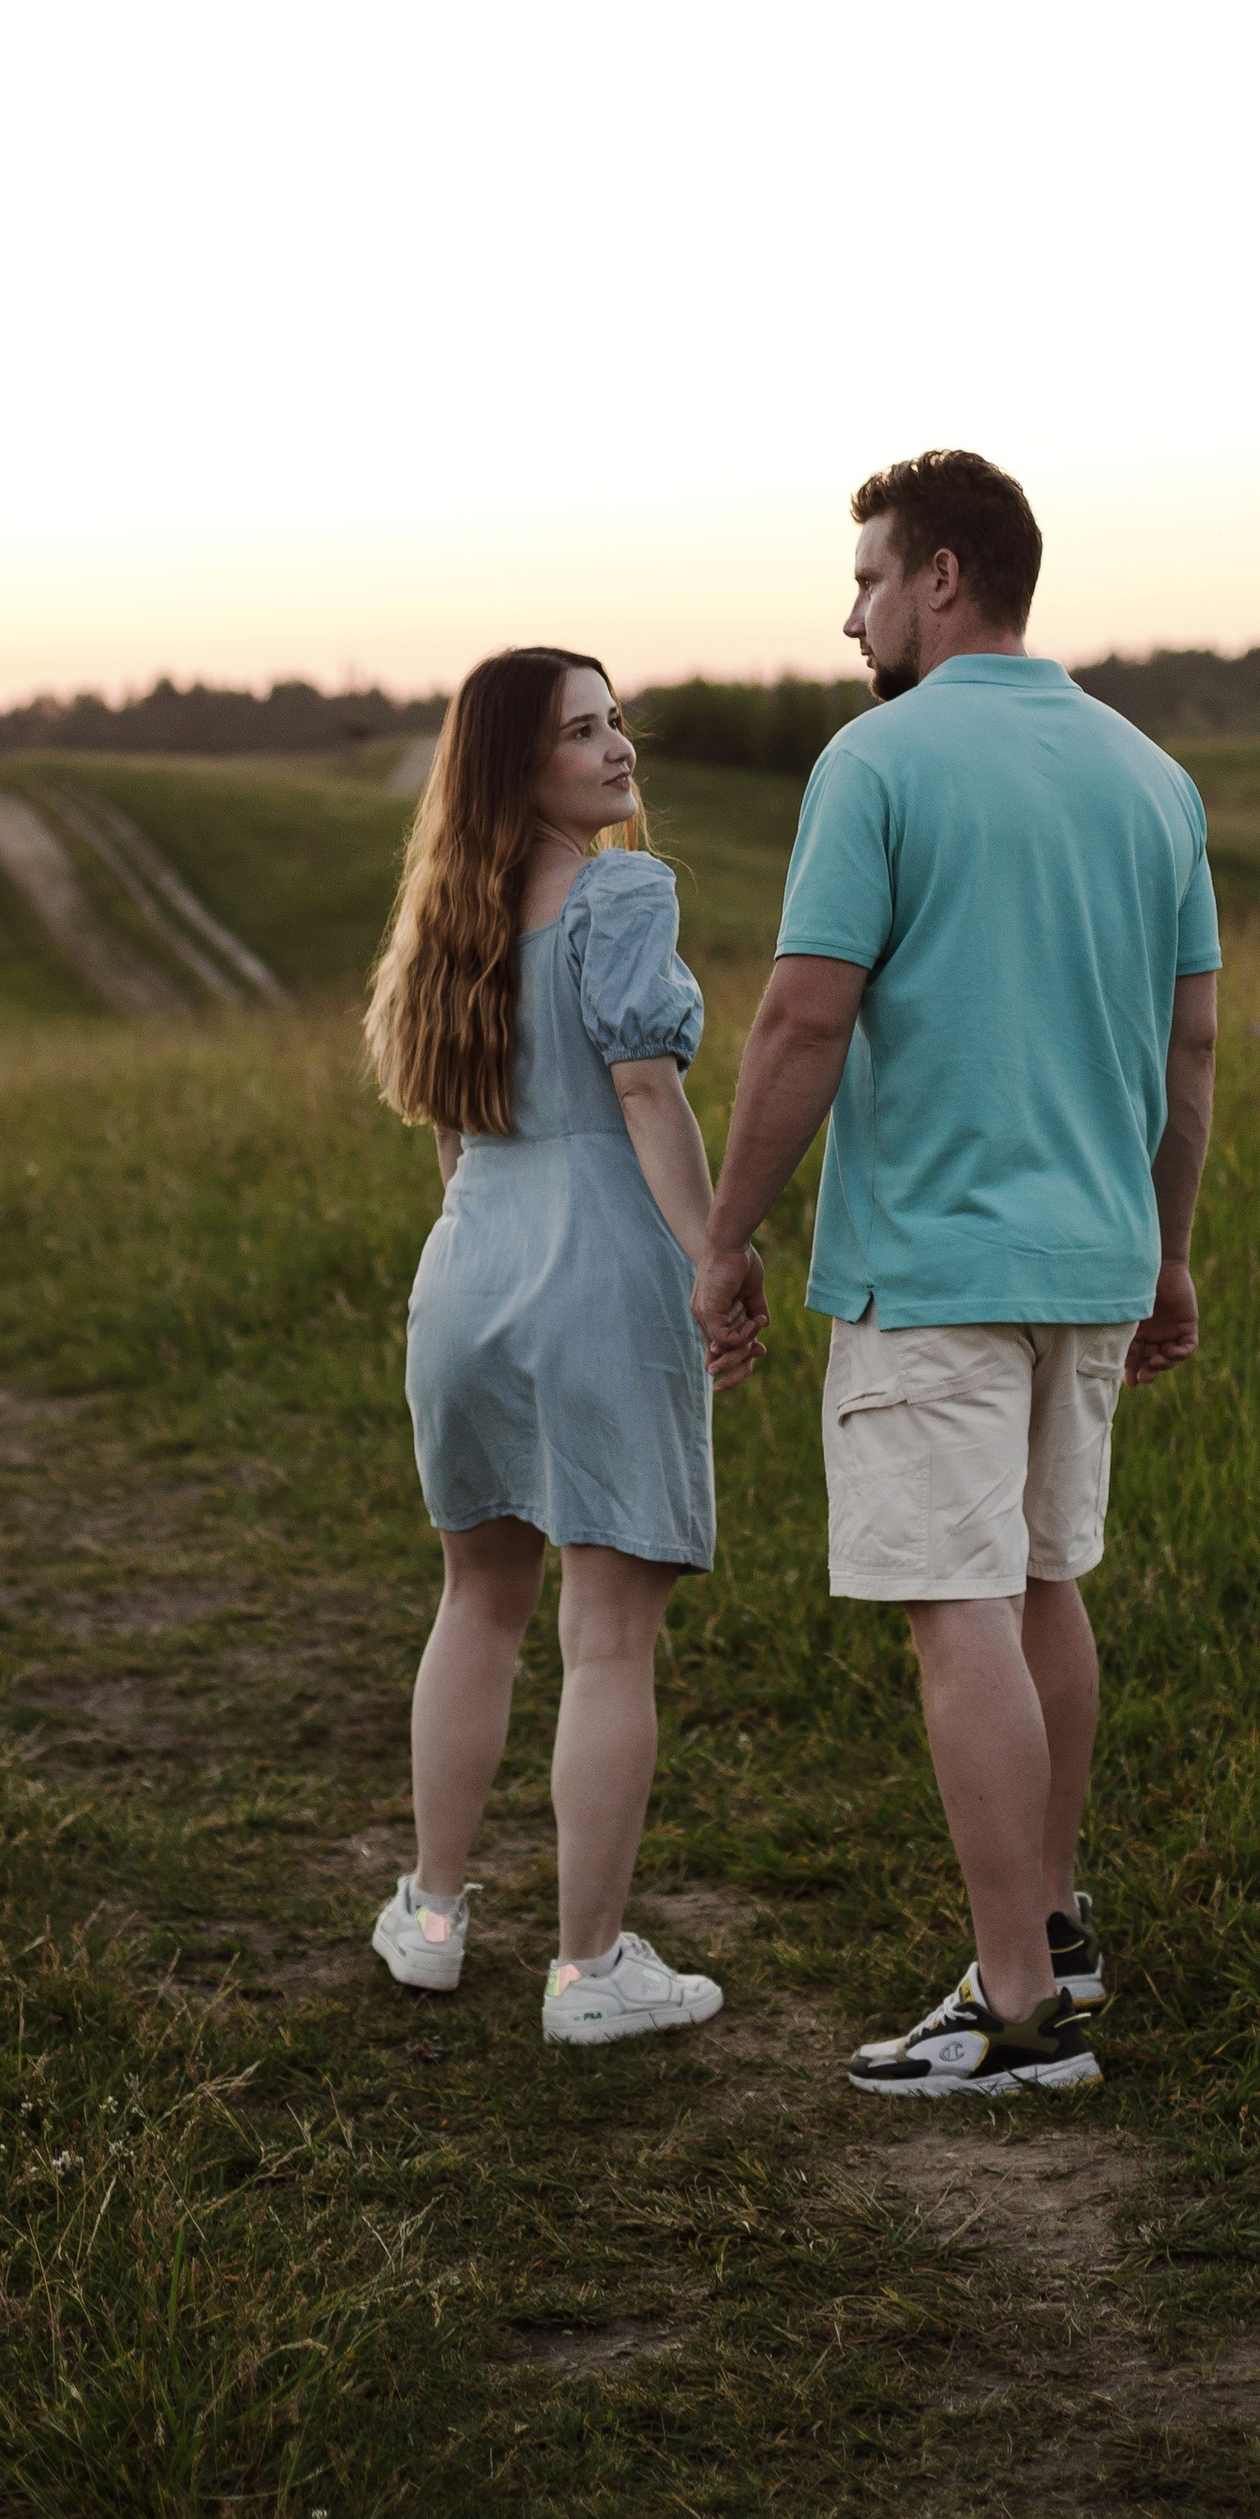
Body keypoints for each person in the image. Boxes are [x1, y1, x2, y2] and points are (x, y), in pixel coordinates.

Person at [690, 451, 1219, 2099]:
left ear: (939, 577)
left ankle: (1011, 2014)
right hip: (1096, 1257)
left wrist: (726, 1236)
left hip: (934, 1262)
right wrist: (1172, 1251)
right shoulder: (1151, 777)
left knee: (960, 1608)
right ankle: (1053, 1927)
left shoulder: (879, 761)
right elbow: (1191, 1046)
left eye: (865, 579)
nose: (849, 615)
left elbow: (802, 1015)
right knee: (1046, 1581)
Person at [364, 646, 751, 2046]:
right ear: (518, 769)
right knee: (609, 1638)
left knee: (478, 1601)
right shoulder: (620, 892)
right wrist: (719, 1254)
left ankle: (432, 1913)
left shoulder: (445, 926)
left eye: (616, 721)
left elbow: (461, 1138)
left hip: (467, 1269)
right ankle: (590, 1972)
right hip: (596, 1264)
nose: (617, 748)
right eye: (582, 733)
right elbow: (645, 1088)